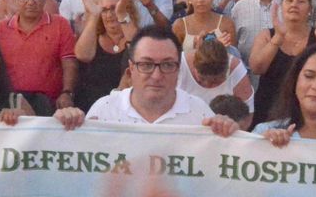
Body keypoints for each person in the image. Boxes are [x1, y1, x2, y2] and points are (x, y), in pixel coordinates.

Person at [68, 26, 215, 127]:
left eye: (167, 65)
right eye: (146, 65)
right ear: (131, 69)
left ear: (178, 70)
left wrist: (228, 134)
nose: (157, 76)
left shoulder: (200, 113)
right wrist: (63, 127)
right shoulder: (104, 111)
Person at [0, 0, 77, 114]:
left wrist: (67, 92)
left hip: (48, 103)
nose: (31, 2)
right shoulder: (2, 28)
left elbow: (69, 62)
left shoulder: (60, 24)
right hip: (10, 103)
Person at [248, 0, 316, 126]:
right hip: (267, 110)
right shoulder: (267, 35)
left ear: (310, 8)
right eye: (289, 1)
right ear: (281, 6)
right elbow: (257, 68)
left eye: (301, 1)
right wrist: (278, 38)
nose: (294, 5)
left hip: (304, 113)